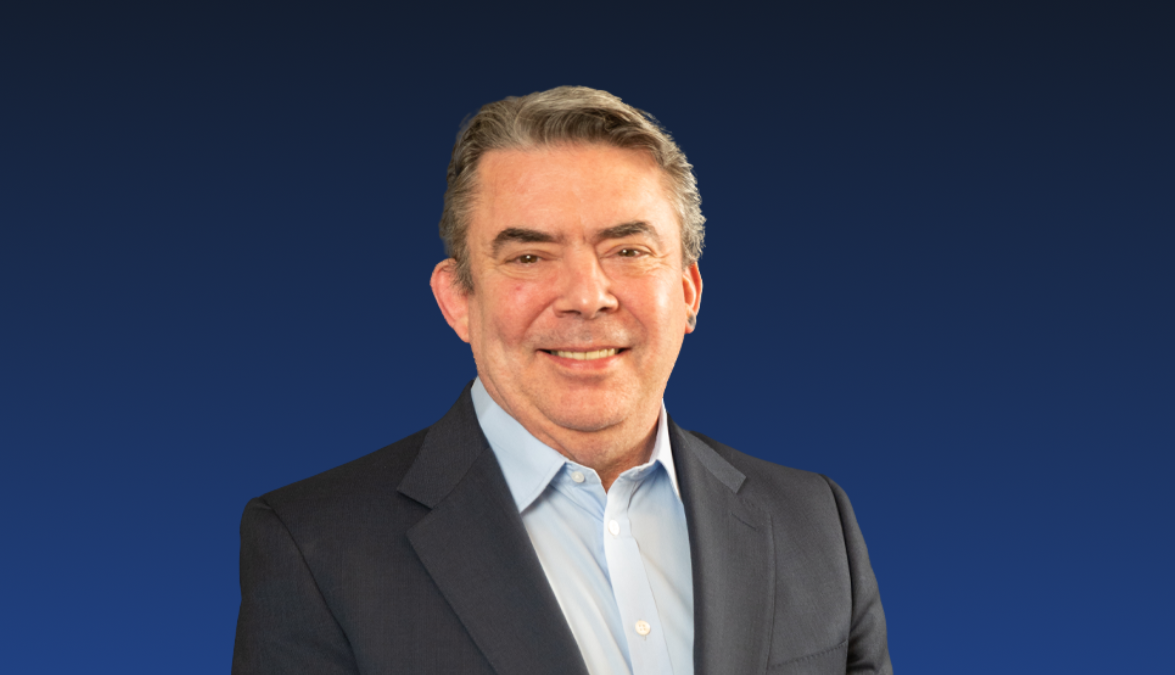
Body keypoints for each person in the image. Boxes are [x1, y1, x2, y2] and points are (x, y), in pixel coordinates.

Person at [232, 86, 892, 675]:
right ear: (458, 298)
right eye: (529, 256)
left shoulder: (815, 520)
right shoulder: (314, 546)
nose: (586, 295)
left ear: (688, 292)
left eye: (627, 250)